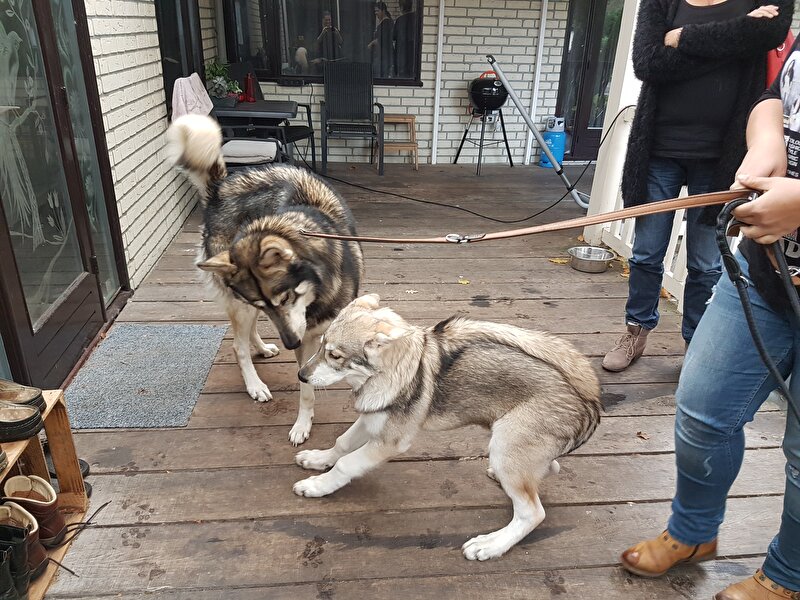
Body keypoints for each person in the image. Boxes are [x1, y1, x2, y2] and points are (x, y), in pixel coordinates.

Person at [619, 35, 800, 600]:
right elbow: (777, 98)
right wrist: (765, 142)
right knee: (702, 412)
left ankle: (789, 575)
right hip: (763, 273)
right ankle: (694, 533)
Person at [602, 0, 793, 373]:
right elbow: (647, 63)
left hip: (720, 157)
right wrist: (736, 36)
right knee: (646, 254)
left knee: (705, 264)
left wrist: (681, 37)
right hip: (658, 150)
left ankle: (694, 342)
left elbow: (771, 32)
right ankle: (636, 330)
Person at [368, 2, 393, 78]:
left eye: (377, 11)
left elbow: (383, 39)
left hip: (383, 55)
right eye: (375, 11)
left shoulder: (386, 22)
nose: (376, 13)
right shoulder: (383, 22)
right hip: (380, 54)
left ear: (383, 11)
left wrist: (372, 43)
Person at [393, 0, 416, 78]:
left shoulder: (400, 20)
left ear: (401, 7)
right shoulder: (416, 18)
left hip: (402, 51)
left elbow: (393, 36)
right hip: (414, 50)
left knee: (403, 75)